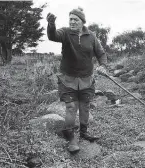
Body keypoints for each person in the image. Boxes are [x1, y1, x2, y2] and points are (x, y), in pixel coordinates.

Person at [46, 7, 107, 153]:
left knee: (85, 106)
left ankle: (84, 133)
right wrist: (51, 24)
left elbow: (101, 53)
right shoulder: (65, 32)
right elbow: (52, 36)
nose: (72, 21)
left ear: (82, 22)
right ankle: (70, 136)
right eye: (70, 19)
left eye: (75, 19)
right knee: (71, 107)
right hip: (68, 78)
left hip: (87, 79)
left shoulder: (91, 36)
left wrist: (103, 65)